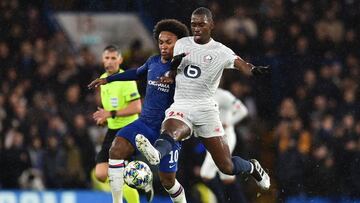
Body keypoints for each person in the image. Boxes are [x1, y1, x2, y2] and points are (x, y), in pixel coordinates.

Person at [135, 7, 271, 202]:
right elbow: (172, 67)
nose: (196, 28)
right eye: (193, 24)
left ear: (211, 25)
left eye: (201, 24)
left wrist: (254, 70)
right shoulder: (182, 44)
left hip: (206, 110)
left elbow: (241, 64)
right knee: (170, 131)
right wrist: (171, 70)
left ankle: (252, 167)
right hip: (182, 104)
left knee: (226, 167)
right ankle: (156, 153)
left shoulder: (221, 51)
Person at [88, 19, 190, 203]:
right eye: (161, 42)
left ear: (180, 42)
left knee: (168, 181)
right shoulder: (153, 61)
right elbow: (136, 73)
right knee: (116, 149)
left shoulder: (185, 69)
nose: (163, 46)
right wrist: (109, 80)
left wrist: (176, 74)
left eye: (169, 42)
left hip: (167, 131)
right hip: (144, 123)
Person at [92, 45, 141, 203]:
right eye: (107, 58)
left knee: (119, 173)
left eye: (113, 58)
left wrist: (110, 113)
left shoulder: (126, 79)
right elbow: (112, 108)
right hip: (112, 130)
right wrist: (105, 119)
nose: (110, 61)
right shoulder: (103, 79)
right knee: (100, 174)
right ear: (102, 59)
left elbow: (137, 107)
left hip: (128, 130)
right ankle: (124, 184)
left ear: (120, 59)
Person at [200, 88, 249, 203]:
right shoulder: (202, 95)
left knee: (206, 173)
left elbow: (243, 110)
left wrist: (229, 122)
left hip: (225, 138)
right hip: (211, 138)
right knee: (226, 177)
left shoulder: (223, 95)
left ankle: (223, 200)